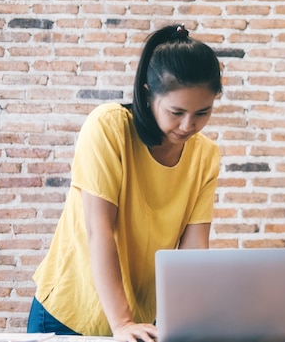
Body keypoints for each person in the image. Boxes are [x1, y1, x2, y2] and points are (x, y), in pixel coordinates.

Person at [27, 24, 223, 342]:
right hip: (71, 312)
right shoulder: (109, 127)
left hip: (141, 323)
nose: (189, 125)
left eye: (203, 112)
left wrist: (194, 319)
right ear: (148, 94)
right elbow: (99, 229)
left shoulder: (206, 154)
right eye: (176, 112)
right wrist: (121, 323)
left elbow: (194, 249)